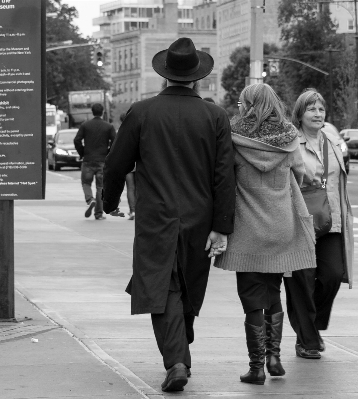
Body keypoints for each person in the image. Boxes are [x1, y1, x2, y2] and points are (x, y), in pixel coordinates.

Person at [102, 37, 236, 392]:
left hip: (155, 219)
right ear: (198, 78)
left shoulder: (141, 112)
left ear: (164, 75)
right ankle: (180, 350)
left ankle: (176, 359)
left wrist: (109, 201)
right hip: (200, 220)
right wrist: (222, 227)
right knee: (187, 287)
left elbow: (116, 166)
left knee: (162, 289)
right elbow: (225, 176)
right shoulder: (215, 116)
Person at [214, 83, 316, 385]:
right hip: (281, 225)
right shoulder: (288, 138)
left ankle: (256, 367)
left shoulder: (234, 137)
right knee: (273, 292)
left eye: (242, 102)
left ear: (248, 104)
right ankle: (274, 356)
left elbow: (223, 177)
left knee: (250, 296)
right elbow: (302, 172)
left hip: (247, 228)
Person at [283, 89, 354, 360]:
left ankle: (312, 325)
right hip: (299, 223)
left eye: (321, 109)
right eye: (311, 109)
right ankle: (308, 340)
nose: (317, 113)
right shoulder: (290, 143)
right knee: (301, 281)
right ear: (300, 114)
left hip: (331, 221)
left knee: (332, 276)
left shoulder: (332, 143)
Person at [73, 103, 116, 220]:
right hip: (102, 161)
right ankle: (98, 214)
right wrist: (108, 152)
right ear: (102, 112)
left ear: (92, 112)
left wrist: (82, 152)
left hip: (88, 160)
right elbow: (116, 142)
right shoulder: (108, 126)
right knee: (100, 187)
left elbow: (77, 140)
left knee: (86, 183)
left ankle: (89, 199)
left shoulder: (85, 125)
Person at [119, 112, 136, 220]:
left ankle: (133, 211)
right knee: (140, 188)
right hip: (138, 163)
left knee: (130, 188)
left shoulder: (120, 132)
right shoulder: (138, 129)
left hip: (127, 164)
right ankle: (142, 211)